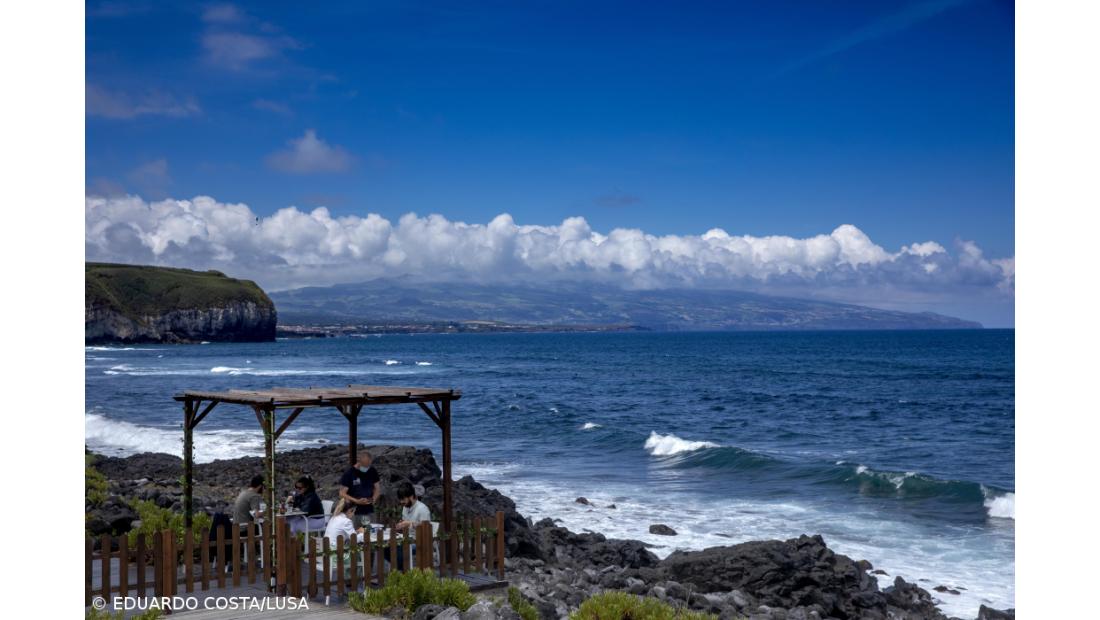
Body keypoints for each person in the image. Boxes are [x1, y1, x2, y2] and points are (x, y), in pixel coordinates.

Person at [385, 482, 432, 570]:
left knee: (399, 550)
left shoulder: (422, 509)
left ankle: (403, 570)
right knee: (385, 548)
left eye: (403, 499)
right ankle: (402, 569)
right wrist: (401, 525)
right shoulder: (405, 507)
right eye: (400, 499)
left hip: (419, 540)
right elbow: (405, 523)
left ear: (411, 496)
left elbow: (425, 528)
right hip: (407, 538)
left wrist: (409, 524)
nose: (401, 502)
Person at [339, 451, 381, 527]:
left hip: (369, 511)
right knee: (354, 534)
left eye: (368, 465)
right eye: (365, 466)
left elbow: (377, 488)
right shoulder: (349, 473)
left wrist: (373, 499)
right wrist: (356, 501)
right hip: (354, 512)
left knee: (369, 534)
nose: (367, 468)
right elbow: (342, 493)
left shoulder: (372, 471)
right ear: (359, 462)